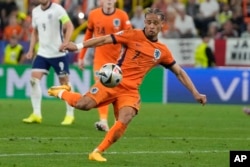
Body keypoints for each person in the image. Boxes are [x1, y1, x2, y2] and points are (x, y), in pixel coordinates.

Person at [48, 8, 207, 162]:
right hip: (112, 82)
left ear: (161, 25)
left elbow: (179, 72)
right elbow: (104, 39)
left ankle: (97, 152)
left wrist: (195, 92)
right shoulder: (132, 35)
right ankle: (61, 92)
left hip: (130, 91)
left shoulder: (162, 51)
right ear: (145, 22)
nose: (151, 26)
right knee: (83, 104)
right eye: (149, 22)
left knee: (125, 118)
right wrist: (78, 46)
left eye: (155, 23)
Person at [78, 0, 132, 132]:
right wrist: (81, 56)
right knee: (101, 88)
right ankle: (103, 121)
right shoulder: (93, 15)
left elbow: (130, 37)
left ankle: (117, 122)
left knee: (117, 91)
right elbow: (88, 35)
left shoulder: (122, 16)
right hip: (100, 59)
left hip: (118, 60)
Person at [22, 0, 75, 125]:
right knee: (33, 80)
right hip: (42, 53)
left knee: (65, 84)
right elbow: (34, 32)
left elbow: (69, 26)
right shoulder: (35, 11)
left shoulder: (58, 9)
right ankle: (36, 114)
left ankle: (70, 114)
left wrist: (66, 42)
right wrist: (30, 49)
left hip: (58, 53)